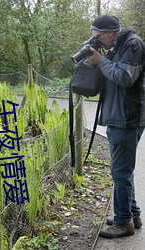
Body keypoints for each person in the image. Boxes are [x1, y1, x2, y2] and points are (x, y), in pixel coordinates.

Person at [87, 15, 145, 238]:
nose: (98, 41)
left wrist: (100, 61)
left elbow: (124, 77)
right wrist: (97, 60)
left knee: (120, 171)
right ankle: (132, 214)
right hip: (117, 117)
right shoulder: (116, 46)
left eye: (99, 37)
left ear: (111, 32)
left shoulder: (133, 44)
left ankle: (123, 223)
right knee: (122, 171)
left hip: (127, 118)